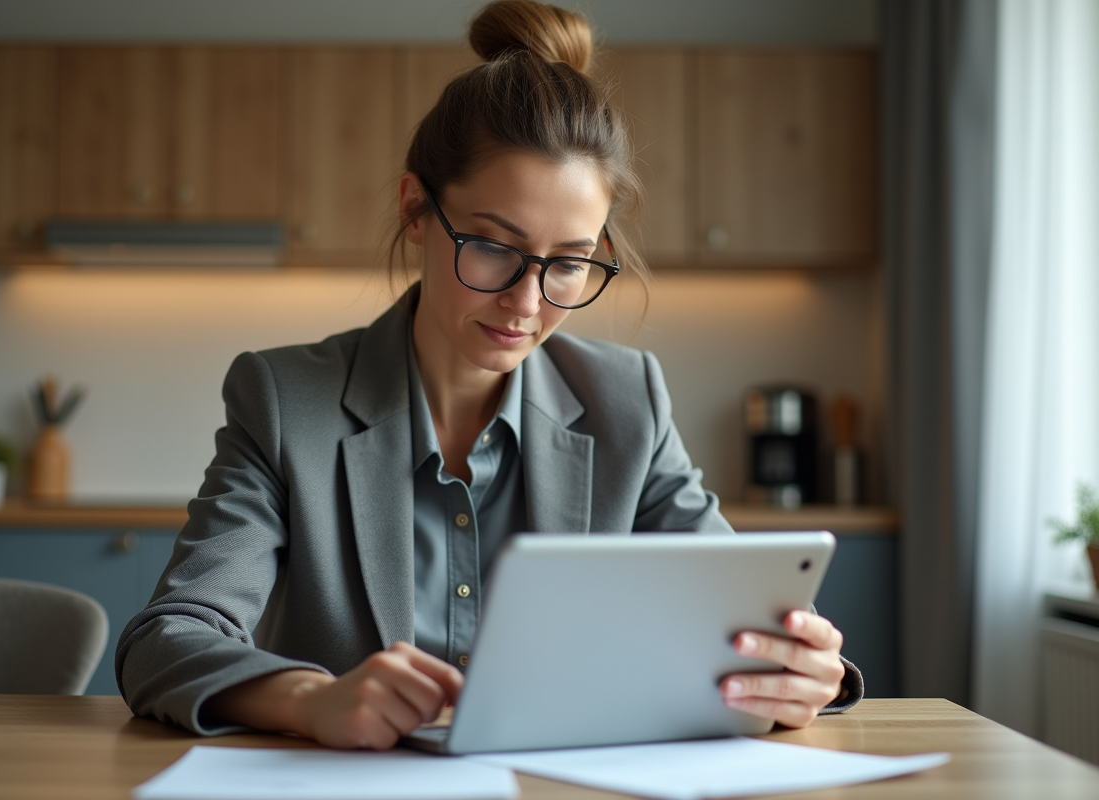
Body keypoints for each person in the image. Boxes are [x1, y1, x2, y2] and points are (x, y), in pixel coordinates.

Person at [116, 0, 862, 751]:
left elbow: (741, 619)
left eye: (568, 263)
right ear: (416, 211)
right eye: (493, 246)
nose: (527, 302)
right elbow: (165, 641)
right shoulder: (285, 403)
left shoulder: (625, 402)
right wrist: (311, 698)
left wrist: (799, 668)